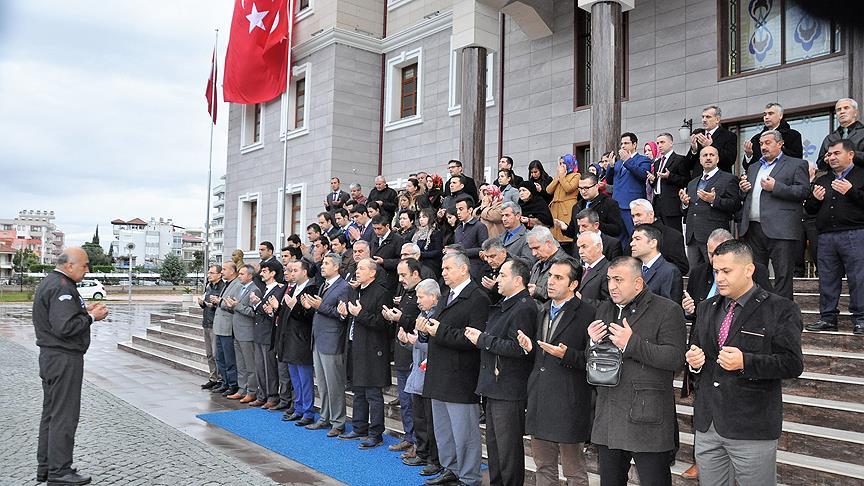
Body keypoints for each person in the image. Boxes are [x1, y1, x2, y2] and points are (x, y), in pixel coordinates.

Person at [686, 240, 803, 486]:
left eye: (726, 271)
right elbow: (696, 351)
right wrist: (694, 363)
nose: (719, 278)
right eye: (716, 271)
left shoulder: (781, 309)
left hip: (752, 427)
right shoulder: (706, 307)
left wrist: (745, 362)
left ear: (748, 270)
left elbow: (792, 364)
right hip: (708, 425)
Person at [587, 257, 687, 486]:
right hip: (609, 415)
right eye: (610, 279)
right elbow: (592, 361)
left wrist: (632, 344)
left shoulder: (667, 309)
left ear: (638, 283)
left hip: (647, 418)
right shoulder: (604, 308)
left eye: (619, 280)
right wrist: (592, 344)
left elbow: (675, 359)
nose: (612, 285)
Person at [33, 247, 109, 486]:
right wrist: (92, 318)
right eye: (85, 265)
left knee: (52, 414)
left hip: (52, 357)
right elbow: (64, 327)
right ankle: (60, 471)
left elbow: (59, 316)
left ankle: (47, 467)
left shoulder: (53, 282)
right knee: (64, 416)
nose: (88, 270)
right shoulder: (62, 287)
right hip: (63, 358)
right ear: (69, 265)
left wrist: (82, 311)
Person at [519, 257, 596, 486]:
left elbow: (593, 360)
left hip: (569, 402)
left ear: (573, 284)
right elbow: (541, 354)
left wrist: (566, 355)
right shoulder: (541, 310)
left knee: (574, 471)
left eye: (558, 278)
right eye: (550, 276)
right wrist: (529, 348)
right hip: (540, 399)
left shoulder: (588, 313)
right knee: (543, 466)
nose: (550, 281)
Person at [416, 252, 490, 486]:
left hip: (461, 376)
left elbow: (473, 338)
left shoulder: (478, 297)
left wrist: (439, 332)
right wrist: (423, 330)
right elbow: (435, 328)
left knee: (464, 433)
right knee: (444, 431)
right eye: (443, 269)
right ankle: (451, 468)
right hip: (439, 373)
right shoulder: (447, 295)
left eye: (448, 268)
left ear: (463, 269)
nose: (443, 273)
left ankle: (469, 477)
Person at [464, 258, 538, 486]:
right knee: (496, 448)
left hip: (509, 387)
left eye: (503, 275)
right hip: (495, 385)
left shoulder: (524, 306)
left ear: (518, 280)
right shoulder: (507, 304)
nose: (497, 279)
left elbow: (519, 348)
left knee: (508, 451)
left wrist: (482, 339)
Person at [737, 129, 810, 300]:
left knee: (783, 275)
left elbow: (804, 191)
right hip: (753, 228)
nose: (763, 146)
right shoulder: (754, 167)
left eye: (768, 143)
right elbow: (747, 196)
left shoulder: (796, 164)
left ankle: (783, 316)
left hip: (781, 229)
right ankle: (761, 313)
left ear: (780, 144)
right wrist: (743, 190)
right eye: (761, 144)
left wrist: (776, 187)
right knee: (756, 274)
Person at [804, 139, 864, 335]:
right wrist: (815, 199)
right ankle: (828, 318)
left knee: (858, 278)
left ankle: (860, 319)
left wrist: (851, 192)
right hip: (826, 237)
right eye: (829, 155)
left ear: (850, 154)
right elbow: (809, 210)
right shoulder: (822, 179)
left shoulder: (861, 175)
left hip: (854, 234)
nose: (831, 158)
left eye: (836, 153)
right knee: (827, 279)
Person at [336, 258, 391, 449]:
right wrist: (345, 313)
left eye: (361, 269)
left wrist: (360, 315)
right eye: (356, 268)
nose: (356, 272)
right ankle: (359, 427)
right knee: (358, 390)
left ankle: (376, 433)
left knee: (373, 393)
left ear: (372, 273)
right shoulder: (355, 290)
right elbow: (353, 318)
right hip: (355, 345)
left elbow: (383, 324)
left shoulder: (381, 293)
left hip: (373, 349)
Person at [303, 253, 352, 437]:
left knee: (334, 384)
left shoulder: (344, 287)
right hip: (318, 339)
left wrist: (319, 306)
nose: (322, 266)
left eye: (326, 263)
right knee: (322, 384)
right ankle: (324, 417)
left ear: (337, 267)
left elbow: (342, 315)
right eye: (322, 263)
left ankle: (338, 422)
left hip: (332, 341)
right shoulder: (324, 285)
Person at [399, 279, 443, 476]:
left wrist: (418, 342)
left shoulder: (437, 317)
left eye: (420, 297)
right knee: (419, 418)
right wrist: (406, 341)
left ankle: (434, 459)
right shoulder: (422, 315)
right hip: (417, 375)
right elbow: (417, 347)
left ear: (433, 297)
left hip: (430, 377)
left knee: (430, 422)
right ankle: (422, 452)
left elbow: (436, 349)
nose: (417, 301)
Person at [383, 259, 425, 457]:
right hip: (401, 353)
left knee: (416, 404)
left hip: (415, 356)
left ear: (415, 274)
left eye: (403, 275)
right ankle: (409, 437)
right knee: (406, 402)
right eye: (398, 275)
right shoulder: (406, 293)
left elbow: (422, 322)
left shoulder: (422, 293)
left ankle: (419, 443)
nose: (400, 279)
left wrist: (401, 318)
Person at [680, 145, 741, 268]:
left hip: (715, 236)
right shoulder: (692, 183)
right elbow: (688, 210)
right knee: (695, 276)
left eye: (711, 155)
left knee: (716, 273)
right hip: (693, 237)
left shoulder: (729, 179)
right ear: (700, 160)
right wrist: (685, 204)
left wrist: (714, 200)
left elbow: (735, 205)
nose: (708, 158)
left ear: (717, 159)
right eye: (705, 155)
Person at [278, 260, 319, 424]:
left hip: (302, 339)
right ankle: (299, 407)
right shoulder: (293, 289)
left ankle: (308, 412)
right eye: (290, 270)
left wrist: (295, 306)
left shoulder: (312, 289)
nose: (292, 273)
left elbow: (309, 317)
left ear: (304, 272)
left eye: (295, 270)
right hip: (289, 339)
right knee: (295, 378)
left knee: (305, 379)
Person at [248, 260, 287, 408]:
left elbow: (270, 311)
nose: (261, 273)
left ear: (273, 273)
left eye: (265, 271)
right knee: (260, 366)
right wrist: (256, 304)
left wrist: (257, 304)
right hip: (259, 332)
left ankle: (272, 396)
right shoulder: (264, 288)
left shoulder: (279, 289)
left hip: (269, 333)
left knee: (269, 367)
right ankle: (262, 394)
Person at [602, 132, 653, 244]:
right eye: (621, 144)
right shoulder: (619, 162)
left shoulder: (643, 160)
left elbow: (643, 175)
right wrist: (610, 166)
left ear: (634, 144)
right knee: (619, 238)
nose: (623, 146)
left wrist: (628, 160)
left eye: (626, 143)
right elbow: (610, 181)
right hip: (617, 206)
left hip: (632, 206)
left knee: (634, 236)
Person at [629, 199, 690, 276]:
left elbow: (682, 267)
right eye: (633, 216)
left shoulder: (672, 236)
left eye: (638, 215)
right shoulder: (634, 234)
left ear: (651, 214)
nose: (635, 220)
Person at [226, 264, 260, 403]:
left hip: (247, 333)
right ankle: (241, 389)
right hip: (237, 331)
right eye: (239, 273)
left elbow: (254, 312)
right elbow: (236, 309)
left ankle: (252, 391)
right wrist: (230, 307)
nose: (239, 276)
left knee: (250, 365)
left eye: (242, 274)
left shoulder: (255, 290)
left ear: (250, 275)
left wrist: (237, 306)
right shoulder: (240, 288)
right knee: (240, 364)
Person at [647, 133, 690, 234]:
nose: (659, 145)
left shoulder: (679, 159)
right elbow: (658, 184)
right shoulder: (657, 163)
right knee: (659, 235)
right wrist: (653, 181)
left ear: (671, 143)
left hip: (672, 206)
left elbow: (686, 180)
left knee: (674, 235)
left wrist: (669, 177)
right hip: (658, 205)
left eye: (662, 142)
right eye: (658, 143)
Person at [630, 224, 683, 304]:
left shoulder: (669, 271)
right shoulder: (635, 269)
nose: (632, 243)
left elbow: (669, 307)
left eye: (637, 239)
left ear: (653, 243)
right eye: (632, 239)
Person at [211, 262, 242, 397]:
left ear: (233, 271)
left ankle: (232, 384)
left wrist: (220, 302)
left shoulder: (237, 285)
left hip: (227, 327)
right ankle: (224, 382)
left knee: (229, 359)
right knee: (219, 357)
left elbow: (233, 303)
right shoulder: (227, 284)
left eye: (224, 269)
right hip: (219, 326)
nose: (222, 271)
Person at [742, 103, 803, 170]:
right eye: (765, 114)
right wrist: (749, 155)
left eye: (770, 114)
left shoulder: (792, 135)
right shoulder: (756, 139)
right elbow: (749, 168)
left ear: (780, 116)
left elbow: (797, 160)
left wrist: (779, 149)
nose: (767, 117)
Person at [683, 105, 738, 174]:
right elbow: (687, 166)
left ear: (717, 119)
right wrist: (694, 150)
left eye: (708, 117)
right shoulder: (699, 135)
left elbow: (730, 160)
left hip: (719, 179)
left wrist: (711, 145)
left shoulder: (729, 136)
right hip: (698, 180)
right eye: (703, 117)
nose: (704, 120)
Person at [567, 173, 623, 238]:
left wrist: (595, 224)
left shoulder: (609, 203)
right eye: (580, 188)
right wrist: (564, 228)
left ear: (596, 186)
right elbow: (573, 232)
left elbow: (617, 230)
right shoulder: (577, 206)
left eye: (586, 188)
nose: (583, 191)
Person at [198, 264, 225, 390]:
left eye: (212, 273)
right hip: (206, 322)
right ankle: (212, 378)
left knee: (216, 354)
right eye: (209, 273)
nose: (209, 275)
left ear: (219, 274)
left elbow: (223, 306)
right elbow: (206, 301)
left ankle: (220, 379)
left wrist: (213, 305)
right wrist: (202, 304)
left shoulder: (223, 287)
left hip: (216, 323)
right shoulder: (208, 286)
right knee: (209, 353)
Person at [818, 98, 864, 171]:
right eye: (838, 110)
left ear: (856, 112)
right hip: (835, 180)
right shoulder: (830, 138)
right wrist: (825, 159)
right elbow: (820, 165)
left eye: (846, 108)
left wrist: (848, 154)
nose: (842, 112)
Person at [526, 226, 569, 303]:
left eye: (536, 248)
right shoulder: (537, 265)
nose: (533, 253)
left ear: (548, 243)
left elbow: (564, 293)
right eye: (531, 249)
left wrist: (537, 291)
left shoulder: (566, 264)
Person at [547, 154, 581, 249]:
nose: (561, 166)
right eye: (560, 163)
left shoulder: (576, 175)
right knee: (556, 235)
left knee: (566, 235)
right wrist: (558, 177)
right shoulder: (558, 177)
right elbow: (548, 190)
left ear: (569, 164)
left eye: (564, 163)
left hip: (567, 208)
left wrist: (561, 177)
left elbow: (568, 188)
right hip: (556, 209)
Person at [454, 195, 489, 282]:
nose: (458, 212)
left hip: (474, 270)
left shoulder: (480, 226)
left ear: (470, 210)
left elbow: (484, 249)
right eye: (457, 209)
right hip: (459, 267)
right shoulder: (458, 229)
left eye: (461, 209)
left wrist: (463, 251)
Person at [370, 215, 404, 293]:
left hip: (390, 281)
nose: (376, 231)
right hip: (375, 280)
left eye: (379, 228)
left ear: (387, 226)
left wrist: (384, 262)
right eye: (374, 229)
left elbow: (402, 261)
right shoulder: (374, 239)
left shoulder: (398, 240)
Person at [575, 230, 610, 307]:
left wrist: (582, 299)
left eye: (584, 246)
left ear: (598, 247)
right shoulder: (580, 268)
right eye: (579, 247)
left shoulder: (608, 270)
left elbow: (609, 305)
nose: (580, 251)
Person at [478, 238, 510, 305]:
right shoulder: (485, 268)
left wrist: (495, 288)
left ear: (503, 252)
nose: (489, 261)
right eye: (487, 257)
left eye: (492, 256)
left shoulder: (513, 268)